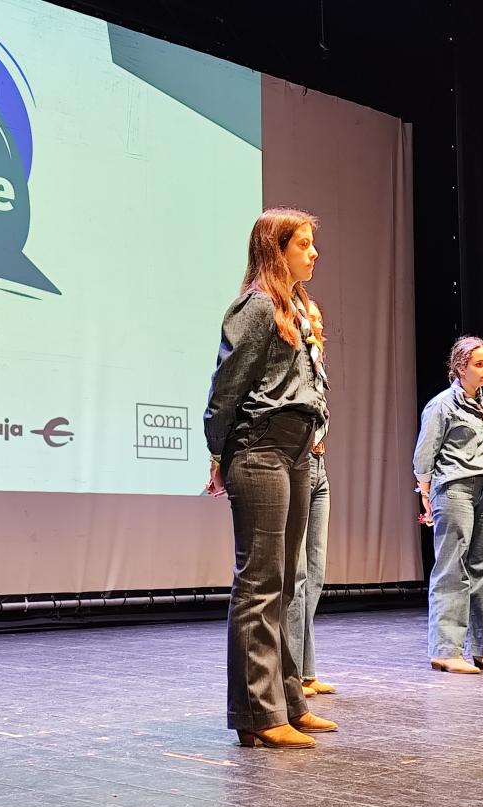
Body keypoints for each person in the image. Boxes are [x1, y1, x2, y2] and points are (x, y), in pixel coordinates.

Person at [203, 208, 338, 748]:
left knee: (284, 584)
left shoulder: (298, 309)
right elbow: (226, 388)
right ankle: (258, 715)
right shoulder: (257, 306)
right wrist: (219, 452)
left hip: (298, 451)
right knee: (260, 585)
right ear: (276, 249)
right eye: (303, 244)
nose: (313, 253)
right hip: (259, 448)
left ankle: (288, 701)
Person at [413, 336, 483, 675]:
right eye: (479, 365)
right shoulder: (442, 405)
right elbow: (425, 452)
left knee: (482, 565)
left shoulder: (480, 403)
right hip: (454, 487)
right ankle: (446, 649)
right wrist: (425, 494)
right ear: (460, 367)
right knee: (452, 567)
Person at [286, 298, 336, 697]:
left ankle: (306, 670)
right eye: (310, 320)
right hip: (298, 466)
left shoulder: (319, 373)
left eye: (318, 321)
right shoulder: (297, 368)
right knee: (297, 574)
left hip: (320, 470)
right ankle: (292, 675)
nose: (316, 327)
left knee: (315, 574)